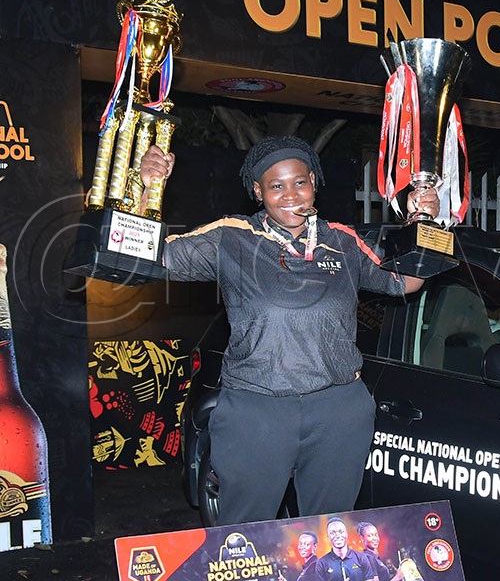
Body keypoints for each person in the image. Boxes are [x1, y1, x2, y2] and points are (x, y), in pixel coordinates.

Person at [139, 135, 439, 526]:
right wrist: (147, 190)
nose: (290, 194)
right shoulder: (232, 236)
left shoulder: (342, 241)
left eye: (299, 181)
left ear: (314, 180)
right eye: (276, 185)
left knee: (332, 533)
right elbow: (152, 256)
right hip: (256, 411)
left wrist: (425, 221)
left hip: (338, 410)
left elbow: (407, 281)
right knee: (245, 532)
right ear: (257, 190)